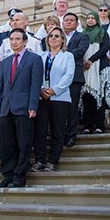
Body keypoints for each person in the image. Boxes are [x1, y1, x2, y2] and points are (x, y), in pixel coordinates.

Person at [0, 29, 44, 188]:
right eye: (11, 39)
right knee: (6, 144)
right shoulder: (5, 62)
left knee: (23, 143)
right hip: (5, 108)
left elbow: (35, 85)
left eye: (17, 39)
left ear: (25, 41)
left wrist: (33, 106)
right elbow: (0, 87)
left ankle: (19, 177)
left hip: (24, 108)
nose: (14, 42)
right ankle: (7, 176)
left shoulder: (34, 59)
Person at [33, 27, 74, 172]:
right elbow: (36, 75)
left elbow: (68, 76)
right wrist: (41, 89)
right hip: (42, 97)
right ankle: (40, 160)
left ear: (63, 39)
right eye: (51, 36)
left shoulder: (68, 56)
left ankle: (52, 161)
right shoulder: (41, 56)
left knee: (58, 131)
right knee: (40, 130)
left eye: (57, 36)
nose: (53, 38)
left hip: (60, 98)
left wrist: (54, 90)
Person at [81, 12, 110, 134]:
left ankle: (99, 125)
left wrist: (91, 59)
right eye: (88, 18)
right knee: (86, 96)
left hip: (99, 67)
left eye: (92, 18)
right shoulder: (82, 34)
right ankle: (87, 125)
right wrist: (84, 61)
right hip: (86, 69)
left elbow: (105, 48)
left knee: (99, 96)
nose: (90, 20)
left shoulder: (102, 32)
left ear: (97, 20)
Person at [63, 13, 90, 147]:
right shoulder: (58, 36)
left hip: (75, 75)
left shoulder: (82, 36)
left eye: (71, 20)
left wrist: (62, 56)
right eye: (66, 20)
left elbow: (80, 51)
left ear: (76, 23)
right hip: (58, 77)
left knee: (72, 107)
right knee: (60, 108)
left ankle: (71, 135)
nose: (68, 22)